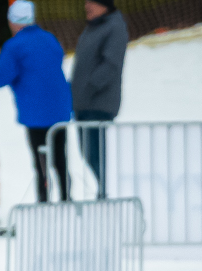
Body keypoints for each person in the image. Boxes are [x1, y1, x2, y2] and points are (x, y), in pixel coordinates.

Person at [0, 1, 72, 202]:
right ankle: (66, 198)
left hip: (36, 114)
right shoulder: (50, 38)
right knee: (60, 158)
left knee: (41, 163)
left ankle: (44, 202)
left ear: (13, 21)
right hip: (60, 110)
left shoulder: (15, 46)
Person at [70, 0, 127, 199]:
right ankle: (100, 188)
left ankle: (103, 191)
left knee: (94, 152)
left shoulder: (114, 27)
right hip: (83, 103)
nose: (87, 6)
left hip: (98, 103)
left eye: (92, 2)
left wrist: (89, 87)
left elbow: (111, 65)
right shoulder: (93, 27)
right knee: (86, 151)